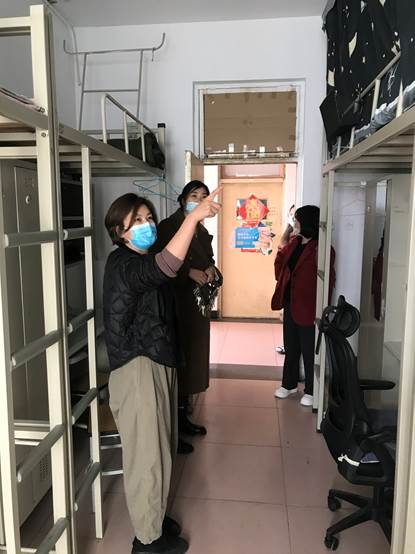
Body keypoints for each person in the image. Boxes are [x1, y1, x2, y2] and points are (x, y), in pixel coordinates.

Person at [103, 189, 220, 554]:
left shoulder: (143, 257)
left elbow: (168, 270)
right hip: (138, 368)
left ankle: (151, 520)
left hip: (157, 361)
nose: (147, 225)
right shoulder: (124, 264)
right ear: (119, 231)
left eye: (149, 218)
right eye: (136, 221)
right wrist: (193, 217)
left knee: (162, 448)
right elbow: (165, 266)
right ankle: (147, 542)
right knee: (147, 459)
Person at [153, 180, 216, 454]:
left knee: (191, 361)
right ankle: (173, 430)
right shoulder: (169, 226)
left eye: (204, 196)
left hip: (196, 305)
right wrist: (188, 272)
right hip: (176, 304)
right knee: (177, 361)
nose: (199, 201)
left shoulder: (201, 229)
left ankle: (183, 419)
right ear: (182, 200)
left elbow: (207, 257)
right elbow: (160, 262)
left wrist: (210, 268)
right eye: (194, 196)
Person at [271, 205, 335, 407]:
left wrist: (323, 308)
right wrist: (284, 239)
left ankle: (311, 390)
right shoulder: (294, 243)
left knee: (309, 350)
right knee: (291, 347)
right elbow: (280, 267)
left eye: (296, 219)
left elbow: (328, 281)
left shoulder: (322, 248)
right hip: (290, 303)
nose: (294, 222)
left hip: (309, 306)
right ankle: (288, 384)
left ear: (307, 222)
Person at [275, 204, 296, 355]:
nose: (293, 218)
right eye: (291, 215)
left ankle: (290, 347)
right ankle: (288, 346)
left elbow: (282, 247)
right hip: (287, 282)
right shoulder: (292, 234)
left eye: (295, 215)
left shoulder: (297, 238)